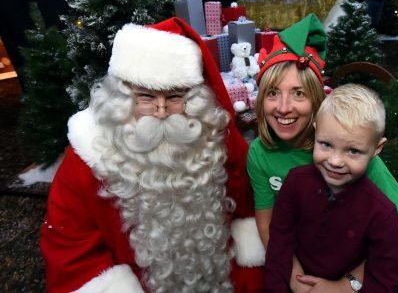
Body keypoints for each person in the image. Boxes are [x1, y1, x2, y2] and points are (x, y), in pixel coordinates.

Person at [40, 17, 265, 292]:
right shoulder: (88, 160)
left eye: (174, 97)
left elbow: (247, 209)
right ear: (122, 97)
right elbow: (71, 252)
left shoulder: (212, 142)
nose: (161, 111)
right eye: (146, 97)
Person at [247, 13, 398, 291]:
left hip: (350, 270)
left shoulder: (346, 151)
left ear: (318, 100)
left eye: (298, 93)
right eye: (273, 93)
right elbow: (270, 227)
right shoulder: (260, 153)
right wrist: (299, 284)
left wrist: (346, 286)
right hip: (299, 265)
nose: (283, 107)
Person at [265, 83, 398, 292]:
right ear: (316, 133)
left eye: (353, 151)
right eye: (326, 145)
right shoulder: (295, 182)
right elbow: (279, 243)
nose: (335, 161)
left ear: (377, 148)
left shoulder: (382, 213)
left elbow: (382, 280)